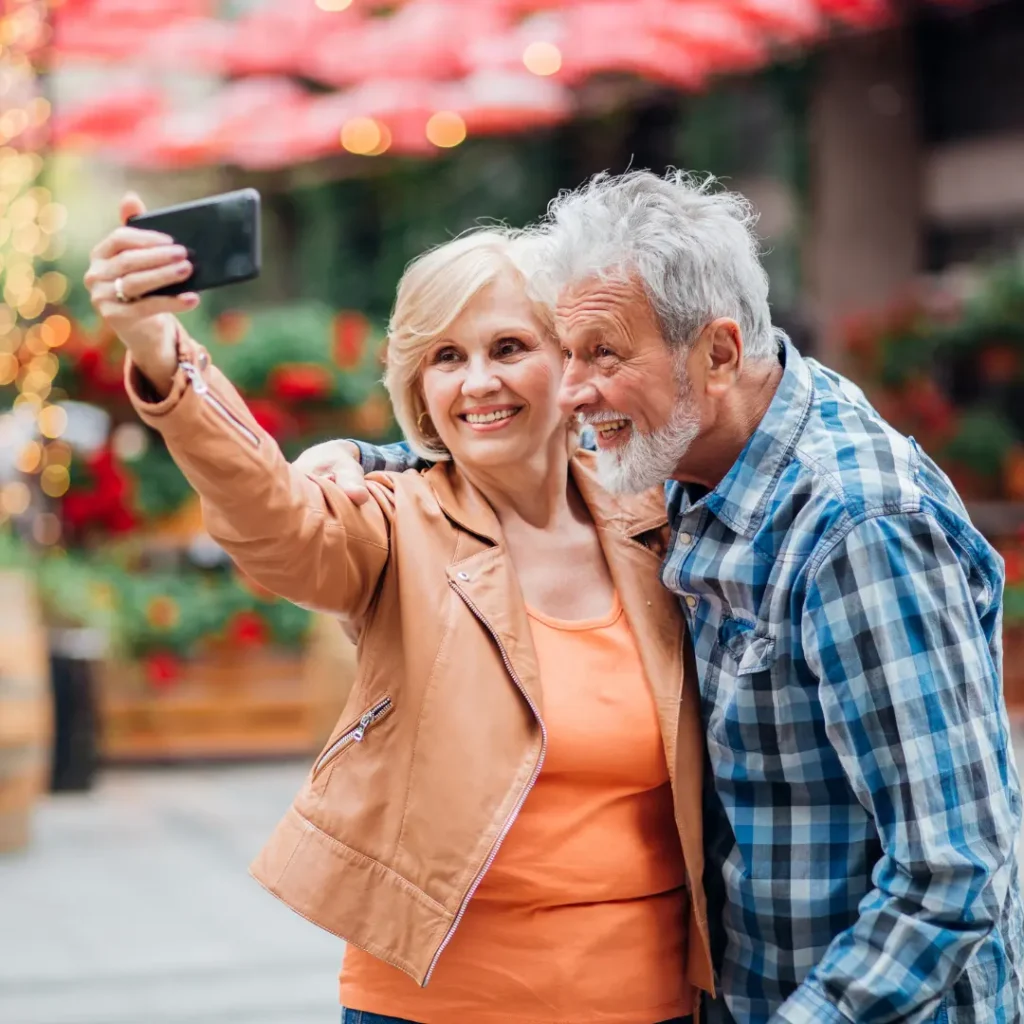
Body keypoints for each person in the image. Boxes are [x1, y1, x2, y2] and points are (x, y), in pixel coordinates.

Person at [302, 170, 1024, 1024]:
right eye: (564, 352)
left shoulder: (856, 528)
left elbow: (954, 874)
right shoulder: (686, 443)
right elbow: (503, 435)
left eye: (603, 353)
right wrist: (362, 456)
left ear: (719, 353)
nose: (571, 390)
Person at [85, 194, 715, 1024]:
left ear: (567, 362)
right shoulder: (391, 523)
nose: (478, 380)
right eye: (446, 356)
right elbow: (274, 518)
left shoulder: (658, 524)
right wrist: (163, 355)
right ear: (418, 383)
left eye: (509, 347)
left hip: (648, 1003)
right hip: (433, 1007)